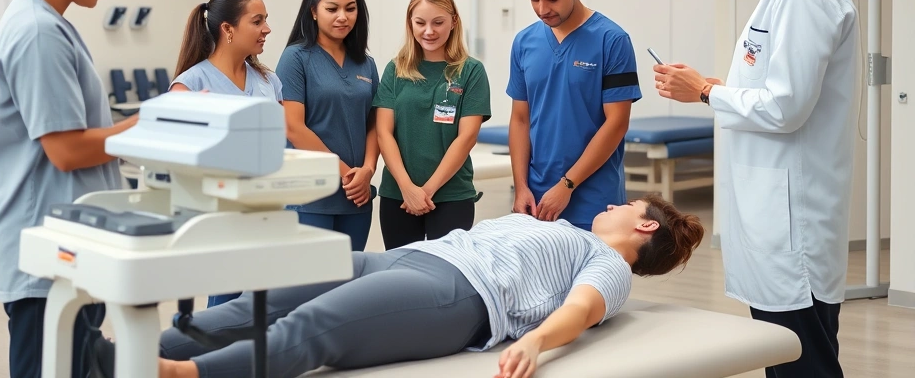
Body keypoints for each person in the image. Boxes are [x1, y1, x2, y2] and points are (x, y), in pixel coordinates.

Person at [91, 193, 704, 378]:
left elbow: (580, 309)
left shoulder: (610, 265)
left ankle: (185, 376)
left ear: (643, 224)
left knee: (309, 331)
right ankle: (144, 354)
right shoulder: (567, 229)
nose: (616, 204)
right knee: (264, 301)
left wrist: (536, 344)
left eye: (629, 204)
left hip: (456, 294)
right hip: (405, 257)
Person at [653, 0, 855, 378]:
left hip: (793, 224)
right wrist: (719, 85)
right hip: (774, 219)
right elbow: (774, 85)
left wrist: (704, 92)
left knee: (803, 363)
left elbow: (786, 107)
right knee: (784, 357)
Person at [0, 0, 135, 378]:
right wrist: (149, 126)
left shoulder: (47, 24)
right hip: (46, 255)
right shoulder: (37, 32)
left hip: (67, 246)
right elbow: (66, 150)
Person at [507, 0, 642, 229]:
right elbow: (520, 119)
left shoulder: (612, 41)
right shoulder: (523, 43)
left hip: (595, 198)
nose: (542, 9)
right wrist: (520, 187)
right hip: (536, 199)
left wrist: (567, 185)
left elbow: (616, 123)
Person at [171, 0, 283, 307]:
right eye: (257, 21)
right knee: (225, 309)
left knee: (264, 308)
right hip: (220, 219)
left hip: (268, 211)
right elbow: (182, 163)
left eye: (266, 20)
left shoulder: (268, 82)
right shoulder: (190, 85)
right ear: (228, 29)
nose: (267, 29)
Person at [374, 0, 491, 249]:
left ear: (454, 22)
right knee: (401, 279)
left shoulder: (471, 72)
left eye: (438, 22)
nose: (429, 31)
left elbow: (467, 137)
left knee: (446, 281)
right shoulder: (396, 70)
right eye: (420, 23)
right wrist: (407, 188)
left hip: (451, 195)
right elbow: (384, 133)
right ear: (410, 23)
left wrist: (425, 192)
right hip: (398, 195)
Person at [275, 0, 380, 251]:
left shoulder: (366, 64)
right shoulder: (295, 58)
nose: (343, 17)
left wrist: (368, 171)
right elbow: (293, 127)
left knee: (347, 287)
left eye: (351, 8)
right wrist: (348, 173)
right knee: (309, 288)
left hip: (356, 197)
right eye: (332, 9)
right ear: (314, 11)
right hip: (310, 196)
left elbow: (374, 123)